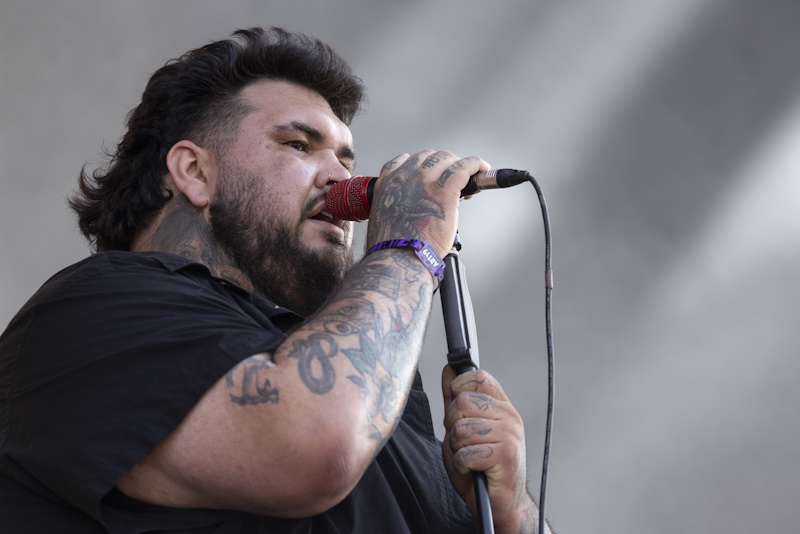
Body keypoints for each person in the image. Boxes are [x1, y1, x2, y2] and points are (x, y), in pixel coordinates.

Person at [0, 27, 551, 533]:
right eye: (298, 145)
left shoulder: (374, 387)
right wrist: (408, 246)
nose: (341, 177)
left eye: (345, 159)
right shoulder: (94, 311)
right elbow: (314, 444)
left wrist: (515, 514)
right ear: (194, 171)